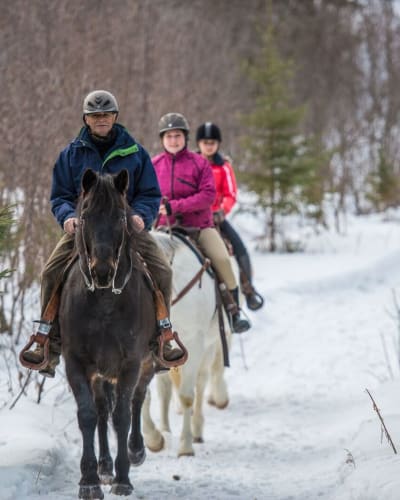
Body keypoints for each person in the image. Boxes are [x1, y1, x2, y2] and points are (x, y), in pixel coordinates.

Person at [21, 90, 185, 377]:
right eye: (95, 116)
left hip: (126, 229)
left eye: (106, 115)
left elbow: (150, 193)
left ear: (115, 117)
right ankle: (49, 342)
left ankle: (162, 336)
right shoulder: (70, 154)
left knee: (163, 271)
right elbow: (59, 196)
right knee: (50, 273)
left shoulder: (135, 152)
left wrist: (140, 217)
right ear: (86, 119)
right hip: (83, 230)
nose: (101, 120)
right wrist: (68, 218)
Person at [152, 112, 251, 334]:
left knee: (222, 259)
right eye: (169, 136)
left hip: (198, 228)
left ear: (185, 138)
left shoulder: (199, 163)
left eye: (177, 135)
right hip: (162, 229)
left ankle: (234, 311)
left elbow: (207, 196)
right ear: (162, 139)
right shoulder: (153, 165)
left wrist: (174, 207)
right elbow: (145, 196)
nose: (173, 140)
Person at [196, 122, 264, 311]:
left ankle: (248, 290)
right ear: (199, 143)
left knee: (240, 248)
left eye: (212, 142)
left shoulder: (223, 166)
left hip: (217, 217)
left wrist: (222, 211)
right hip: (193, 217)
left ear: (218, 144)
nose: (209, 146)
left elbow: (231, 193)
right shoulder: (192, 163)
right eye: (205, 142)